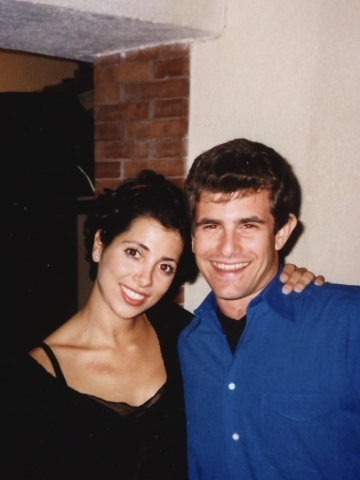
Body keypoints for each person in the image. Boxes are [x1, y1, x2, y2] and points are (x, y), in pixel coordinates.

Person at [1, 169, 322, 480]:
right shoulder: (29, 384)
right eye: (133, 252)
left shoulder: (182, 330)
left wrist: (285, 283)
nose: (144, 279)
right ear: (100, 244)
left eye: (165, 266)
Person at [178, 138, 360, 480]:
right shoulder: (187, 343)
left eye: (248, 225)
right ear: (192, 236)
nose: (227, 248)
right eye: (211, 226)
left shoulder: (350, 322)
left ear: (282, 232)